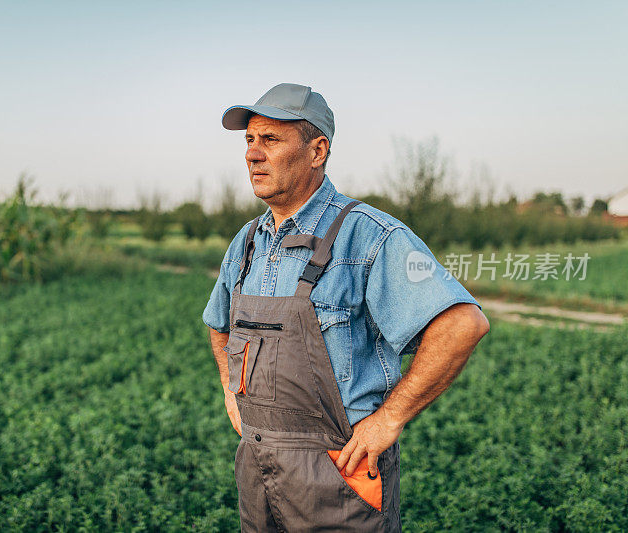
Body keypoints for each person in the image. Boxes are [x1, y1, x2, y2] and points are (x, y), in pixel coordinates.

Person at [202, 83, 490, 532]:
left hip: (340, 474)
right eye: (249, 140)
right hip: (257, 468)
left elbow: (461, 324)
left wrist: (389, 419)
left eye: (271, 140)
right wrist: (228, 386)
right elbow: (219, 323)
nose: (252, 155)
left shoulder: (371, 237)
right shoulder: (247, 242)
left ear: (317, 151)